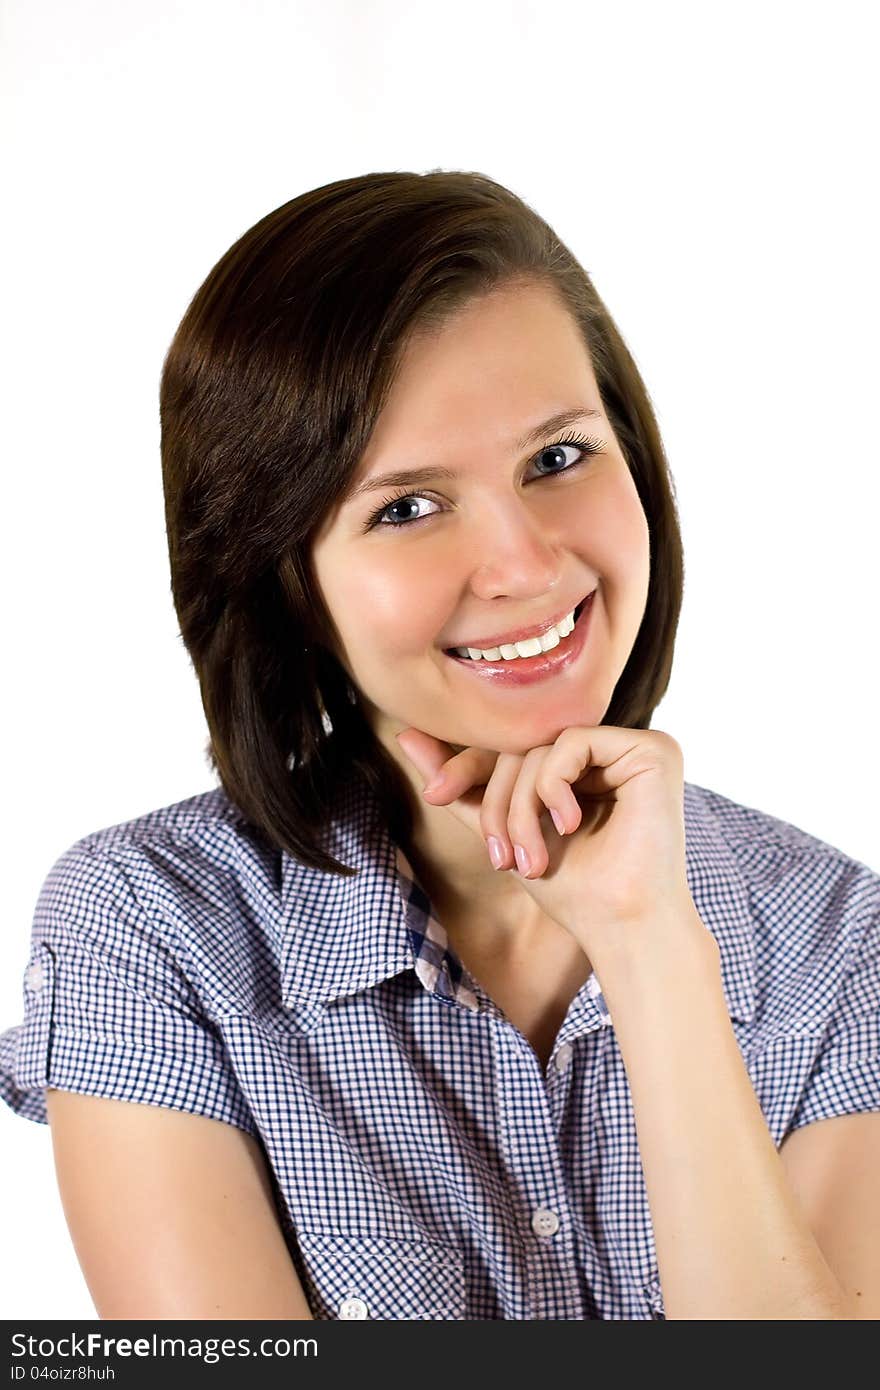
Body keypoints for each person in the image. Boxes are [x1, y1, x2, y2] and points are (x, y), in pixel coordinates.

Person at [1, 170, 878, 1321]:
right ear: (286, 581)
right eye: (406, 507)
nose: (524, 565)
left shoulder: (836, 941)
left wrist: (651, 950)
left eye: (557, 457)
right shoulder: (154, 928)